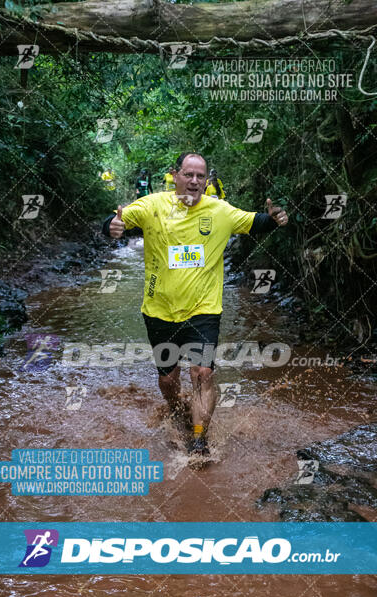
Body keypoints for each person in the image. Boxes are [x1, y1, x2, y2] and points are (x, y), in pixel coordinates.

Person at [102, 152, 288, 456]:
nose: (194, 181)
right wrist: (110, 227)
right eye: (188, 175)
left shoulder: (220, 211)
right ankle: (177, 410)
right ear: (175, 175)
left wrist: (276, 219)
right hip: (159, 310)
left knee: (202, 372)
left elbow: (256, 222)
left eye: (200, 176)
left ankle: (199, 439)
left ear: (206, 180)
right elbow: (116, 221)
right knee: (168, 378)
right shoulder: (152, 206)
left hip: (204, 310)